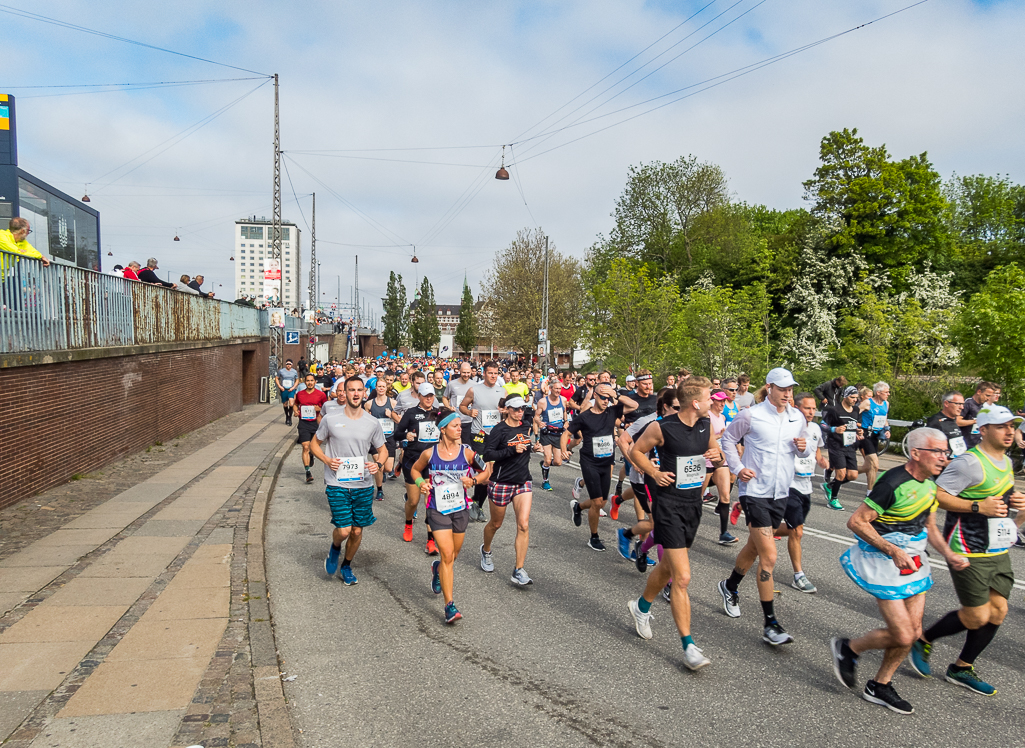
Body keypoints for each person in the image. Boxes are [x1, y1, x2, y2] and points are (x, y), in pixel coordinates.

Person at [830, 427, 963, 714]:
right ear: (915, 453)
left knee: (914, 632)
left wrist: (949, 553)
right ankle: (849, 648)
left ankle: (880, 684)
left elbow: (928, 525)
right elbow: (856, 522)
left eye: (946, 452)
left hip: (914, 559)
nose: (945, 457)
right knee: (903, 635)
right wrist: (892, 550)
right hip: (885, 559)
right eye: (938, 451)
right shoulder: (893, 483)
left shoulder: (930, 484)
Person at [910, 405, 1025, 696]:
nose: (1010, 431)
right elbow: (938, 494)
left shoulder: (1006, 462)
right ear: (983, 429)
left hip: (996, 546)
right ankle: (924, 639)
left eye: (1013, 426)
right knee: (976, 615)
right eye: (1002, 426)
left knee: (998, 611)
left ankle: (961, 667)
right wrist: (977, 506)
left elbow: (1000, 491)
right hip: (967, 546)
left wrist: (1016, 498)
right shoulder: (968, 463)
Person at [625, 377, 721, 670]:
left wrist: (717, 456)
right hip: (667, 506)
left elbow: (717, 455)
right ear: (695, 402)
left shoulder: (707, 426)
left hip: (693, 505)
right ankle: (689, 646)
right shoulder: (662, 427)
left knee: (668, 569)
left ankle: (640, 608)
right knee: (682, 578)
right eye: (709, 399)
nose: (714, 403)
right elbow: (635, 451)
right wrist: (653, 473)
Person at [718, 367, 812, 646]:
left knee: (756, 546)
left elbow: (804, 451)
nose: (788, 393)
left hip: (781, 491)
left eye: (791, 389)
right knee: (769, 555)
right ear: (769, 387)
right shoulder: (751, 414)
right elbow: (727, 439)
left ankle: (730, 585)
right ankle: (770, 623)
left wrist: (803, 447)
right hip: (754, 491)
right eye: (783, 389)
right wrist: (738, 467)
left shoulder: (797, 417)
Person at [410, 408, 490, 624]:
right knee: (446, 554)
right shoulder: (430, 453)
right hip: (437, 508)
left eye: (460, 426)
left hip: (460, 509)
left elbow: (486, 472)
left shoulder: (467, 452)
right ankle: (449, 605)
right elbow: (415, 470)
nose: (460, 429)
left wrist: (473, 481)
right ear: (443, 429)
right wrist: (421, 483)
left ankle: (437, 569)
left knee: (452, 556)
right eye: (455, 426)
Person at [309, 376, 388, 586]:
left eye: (359, 390)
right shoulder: (330, 419)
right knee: (344, 529)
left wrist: (378, 464)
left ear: (364, 393)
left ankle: (346, 565)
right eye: (351, 390)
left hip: (362, 483)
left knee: (357, 530)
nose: (355, 394)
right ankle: (335, 547)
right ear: (343, 392)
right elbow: (314, 444)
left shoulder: (372, 422)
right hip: (337, 482)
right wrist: (326, 459)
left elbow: (383, 449)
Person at [481, 396, 538, 585]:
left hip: (523, 482)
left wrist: (534, 447)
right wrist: (512, 451)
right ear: (507, 410)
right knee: (495, 524)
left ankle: (518, 570)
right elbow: (488, 454)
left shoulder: (525, 425)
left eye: (522, 408)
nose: (519, 412)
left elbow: (527, 443)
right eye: (515, 409)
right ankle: (486, 550)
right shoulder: (499, 430)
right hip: (501, 482)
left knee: (523, 524)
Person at [778, 393, 828, 593]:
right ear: (796, 408)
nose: (811, 412)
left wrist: (822, 460)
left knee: (793, 530)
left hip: (806, 485)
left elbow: (816, 450)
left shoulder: (815, 428)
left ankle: (761, 530)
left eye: (814, 408)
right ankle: (798, 575)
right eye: (807, 408)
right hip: (789, 485)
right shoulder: (787, 427)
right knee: (797, 532)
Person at [565, 382, 619, 551]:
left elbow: (634, 405)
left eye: (608, 398)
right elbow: (566, 433)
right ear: (595, 395)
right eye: (603, 397)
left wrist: (614, 394)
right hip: (589, 462)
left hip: (606, 461)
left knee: (602, 502)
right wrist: (563, 449)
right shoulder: (584, 417)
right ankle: (594, 537)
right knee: (597, 501)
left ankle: (578, 506)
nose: (606, 400)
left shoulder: (612, 412)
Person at [397, 382, 443, 554]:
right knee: (413, 501)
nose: (429, 398)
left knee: (430, 502)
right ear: (419, 396)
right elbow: (398, 433)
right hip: (413, 461)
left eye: (432, 395)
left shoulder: (439, 413)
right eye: (426, 396)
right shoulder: (411, 413)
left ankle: (431, 540)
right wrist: (406, 435)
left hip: (432, 462)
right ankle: (408, 523)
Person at [459, 360, 506, 521]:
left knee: (489, 476)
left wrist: (504, 412)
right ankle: (474, 503)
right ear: (484, 373)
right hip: (478, 435)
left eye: (496, 373)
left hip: (495, 436)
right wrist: (469, 412)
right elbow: (462, 406)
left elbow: (506, 413)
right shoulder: (474, 390)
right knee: (483, 473)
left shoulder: (502, 391)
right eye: (490, 373)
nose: (493, 376)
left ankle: (476, 504)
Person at [821, 385, 863, 511]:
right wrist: (834, 429)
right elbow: (822, 425)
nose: (855, 400)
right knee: (841, 473)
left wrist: (859, 432)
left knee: (853, 475)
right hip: (836, 445)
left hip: (850, 445)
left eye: (856, 397)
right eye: (852, 397)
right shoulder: (835, 410)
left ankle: (830, 486)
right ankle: (833, 499)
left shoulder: (856, 410)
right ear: (845, 396)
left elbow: (854, 426)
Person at [364, 376, 399, 499]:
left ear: (386, 388)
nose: (381, 388)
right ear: (376, 387)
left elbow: (400, 421)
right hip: (375, 438)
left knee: (388, 468)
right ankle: (379, 489)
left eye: (383, 386)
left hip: (389, 437)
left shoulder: (393, 403)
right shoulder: (369, 404)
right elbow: (365, 419)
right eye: (379, 386)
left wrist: (391, 415)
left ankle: (384, 472)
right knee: (378, 465)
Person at [535, 382, 570, 491]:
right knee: (548, 458)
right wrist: (539, 422)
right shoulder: (543, 402)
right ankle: (545, 482)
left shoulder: (563, 400)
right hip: (547, 433)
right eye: (556, 389)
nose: (558, 391)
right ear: (550, 388)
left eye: (560, 389)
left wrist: (566, 421)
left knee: (558, 462)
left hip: (558, 433)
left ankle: (544, 465)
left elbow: (564, 412)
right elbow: (536, 416)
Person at [294, 373, 328, 483]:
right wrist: (295, 410)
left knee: (313, 447)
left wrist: (319, 408)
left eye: (311, 381)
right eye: (307, 381)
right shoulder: (300, 394)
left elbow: (325, 407)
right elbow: (295, 404)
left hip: (316, 423)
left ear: (315, 382)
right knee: (305, 446)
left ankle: (311, 455)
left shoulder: (321, 395)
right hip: (303, 423)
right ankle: (308, 472)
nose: (309, 383)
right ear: (305, 382)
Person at [860, 382, 892, 496]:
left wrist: (887, 430)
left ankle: (846, 474)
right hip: (865, 434)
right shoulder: (867, 403)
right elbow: (854, 415)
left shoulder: (886, 404)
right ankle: (870, 493)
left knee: (869, 467)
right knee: (875, 464)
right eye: (886, 392)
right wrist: (856, 429)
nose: (888, 394)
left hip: (875, 436)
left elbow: (884, 419)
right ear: (878, 393)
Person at [926, 391, 968, 456]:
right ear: (946, 403)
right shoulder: (936, 422)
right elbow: (929, 449)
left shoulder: (954, 420)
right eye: (958, 404)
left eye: (962, 404)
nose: (961, 407)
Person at [959, 381, 996, 449]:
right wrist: (974, 421)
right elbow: (957, 422)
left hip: (978, 444)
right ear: (979, 392)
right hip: (966, 444)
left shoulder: (983, 406)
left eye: (990, 396)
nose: (988, 398)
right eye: (987, 395)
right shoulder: (968, 403)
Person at [275, 360, 300, 426]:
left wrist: (294, 387)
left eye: (289, 364)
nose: (288, 365)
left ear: (291, 364)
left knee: (291, 403)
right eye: (287, 364)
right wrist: (279, 386)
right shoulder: (281, 371)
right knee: (285, 404)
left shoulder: (294, 371)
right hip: (284, 389)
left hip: (291, 389)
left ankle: (290, 418)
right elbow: (277, 378)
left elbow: (297, 379)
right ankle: (287, 416)